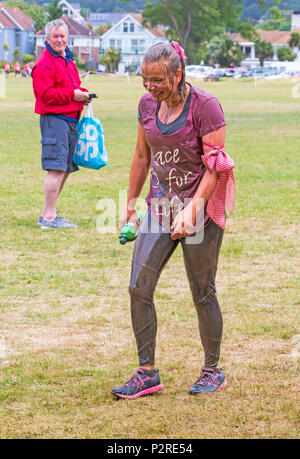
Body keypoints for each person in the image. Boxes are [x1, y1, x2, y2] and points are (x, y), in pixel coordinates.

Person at [111, 41, 235, 399]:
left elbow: (215, 166)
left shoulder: (206, 106)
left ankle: (213, 370)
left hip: (202, 210)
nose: (150, 87)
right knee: (139, 286)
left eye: (157, 80)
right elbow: (140, 156)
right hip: (159, 208)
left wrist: (192, 210)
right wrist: (132, 205)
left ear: (177, 74)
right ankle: (146, 373)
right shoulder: (146, 105)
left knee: (202, 292)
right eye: (145, 80)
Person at [31, 19, 91, 229]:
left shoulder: (67, 59)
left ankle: (51, 213)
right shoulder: (44, 63)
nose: (59, 40)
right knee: (56, 168)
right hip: (55, 120)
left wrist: (82, 94)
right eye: (55, 36)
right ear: (47, 39)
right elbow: (45, 95)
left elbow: (74, 86)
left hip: (70, 120)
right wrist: (72, 95)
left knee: (65, 168)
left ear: (68, 38)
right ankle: (48, 218)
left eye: (62, 36)